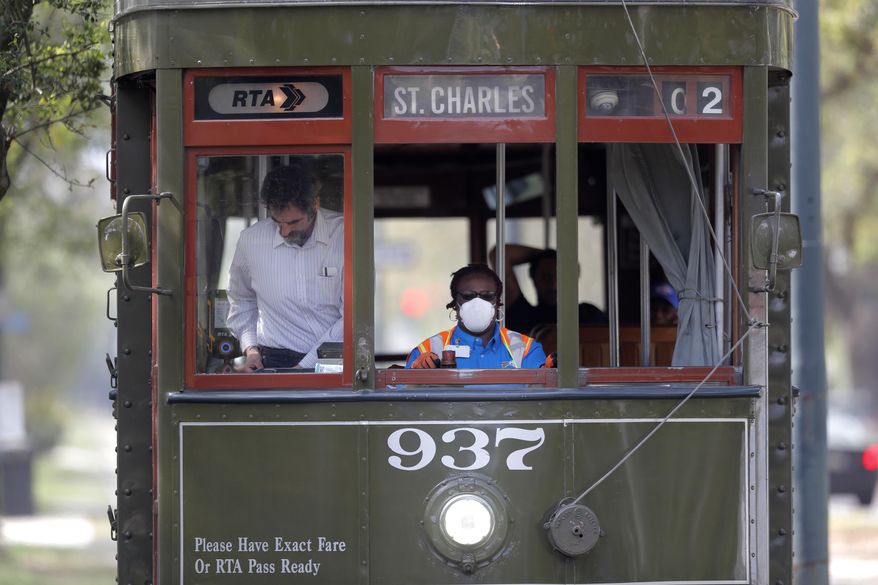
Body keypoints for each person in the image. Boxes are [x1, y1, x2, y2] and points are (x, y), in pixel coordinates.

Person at [227, 164, 343, 370]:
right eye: (277, 222)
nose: (284, 231)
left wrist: (304, 367)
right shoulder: (251, 241)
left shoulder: (345, 236)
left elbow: (353, 315)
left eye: (294, 222)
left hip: (334, 360)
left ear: (315, 204)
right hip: (271, 358)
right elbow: (241, 299)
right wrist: (251, 349)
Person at [406, 264, 551, 369]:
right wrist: (416, 377)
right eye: (468, 296)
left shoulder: (525, 349)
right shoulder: (428, 350)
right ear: (455, 304)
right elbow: (404, 404)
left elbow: (544, 399)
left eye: (487, 296)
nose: (477, 304)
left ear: (498, 303)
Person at [489, 245, 606, 336]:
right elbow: (500, 253)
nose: (553, 285)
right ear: (534, 278)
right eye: (546, 277)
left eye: (560, 277)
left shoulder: (589, 315)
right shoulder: (522, 313)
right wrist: (546, 255)